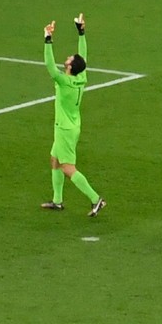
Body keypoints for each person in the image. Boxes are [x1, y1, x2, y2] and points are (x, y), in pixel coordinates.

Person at [41, 13, 105, 218]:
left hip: (64, 129)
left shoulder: (64, 82)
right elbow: (83, 56)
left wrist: (48, 39)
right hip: (73, 125)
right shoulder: (81, 76)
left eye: (69, 58)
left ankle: (96, 200)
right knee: (54, 160)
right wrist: (81, 32)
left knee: (68, 168)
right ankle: (57, 201)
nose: (68, 58)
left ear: (69, 67)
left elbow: (50, 67)